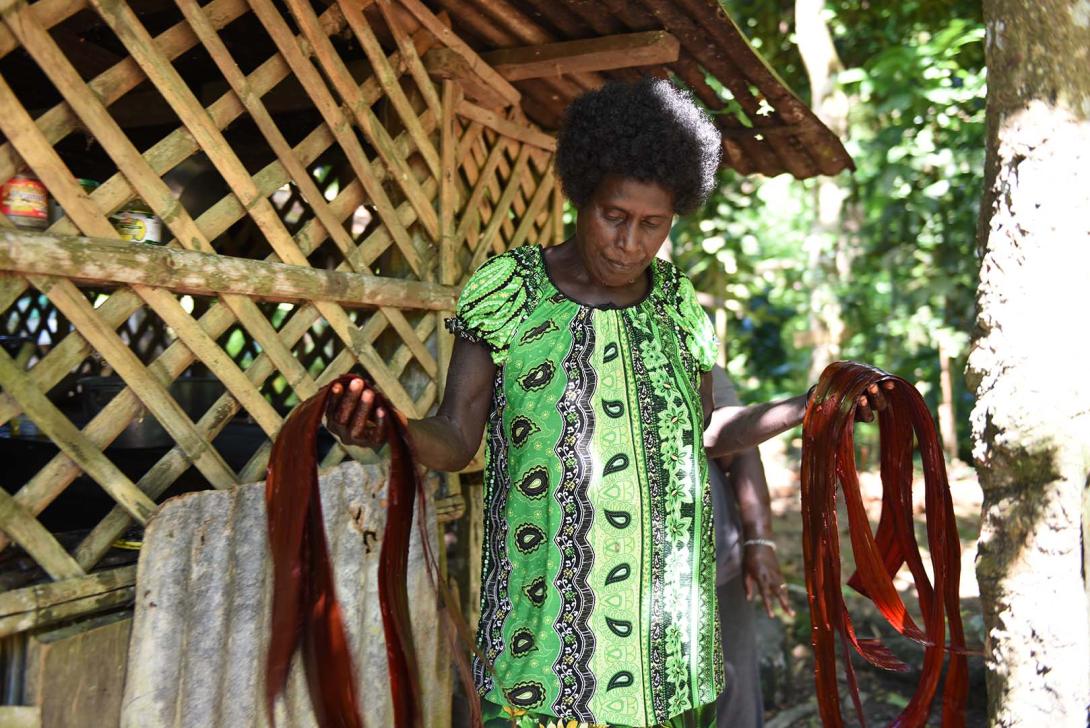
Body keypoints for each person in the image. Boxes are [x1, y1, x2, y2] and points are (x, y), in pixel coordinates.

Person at [326, 77, 888, 728]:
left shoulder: (678, 307)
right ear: (580, 197)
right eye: (614, 216)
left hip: (667, 647)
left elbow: (705, 433)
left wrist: (814, 404)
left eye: (653, 225)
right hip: (540, 644)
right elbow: (455, 436)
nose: (630, 242)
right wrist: (388, 429)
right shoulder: (509, 290)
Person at [706, 366, 790, 728]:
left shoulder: (678, 322)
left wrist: (759, 539)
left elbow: (736, 442)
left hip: (712, 554)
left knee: (730, 684)